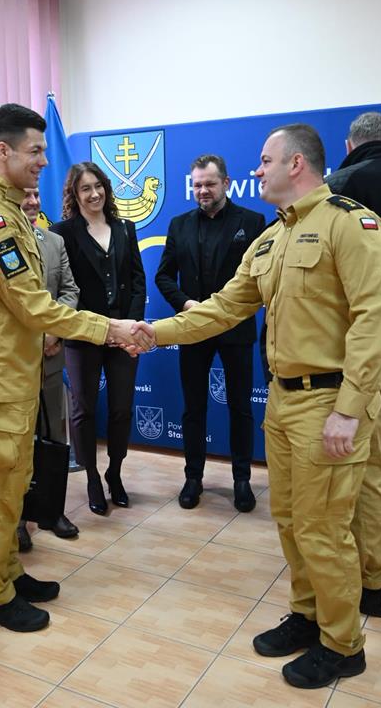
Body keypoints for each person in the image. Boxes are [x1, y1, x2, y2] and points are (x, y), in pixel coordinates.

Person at [130, 124, 381, 690]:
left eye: (265, 160)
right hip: (283, 401)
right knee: (293, 522)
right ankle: (307, 615)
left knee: (325, 530)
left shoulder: (351, 224)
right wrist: (156, 332)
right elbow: (225, 307)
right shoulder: (272, 238)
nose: (257, 170)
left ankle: (342, 644)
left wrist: (350, 409)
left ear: (296, 164)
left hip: (330, 402)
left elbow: (375, 319)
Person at [0, 104, 146, 633]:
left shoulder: (13, 211)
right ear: (3, 151)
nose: (44, 160)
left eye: (44, 150)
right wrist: (110, 328)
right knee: (0, 491)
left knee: (16, 481)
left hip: (15, 371)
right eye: (35, 151)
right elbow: (33, 306)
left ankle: (9, 573)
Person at [155, 154, 265, 512]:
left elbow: (259, 278)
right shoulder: (179, 224)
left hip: (236, 328)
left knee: (241, 408)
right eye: (197, 184)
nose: (203, 190)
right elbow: (164, 275)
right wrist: (186, 304)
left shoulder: (253, 221)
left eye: (209, 184)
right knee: (194, 408)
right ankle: (193, 478)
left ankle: (242, 480)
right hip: (193, 328)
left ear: (226, 184)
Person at [326, 111, 381, 606]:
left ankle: (372, 583)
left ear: (349, 145)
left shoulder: (344, 186)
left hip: (379, 356)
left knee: (370, 469)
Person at [51, 162, 146, 516]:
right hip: (83, 334)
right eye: (85, 189)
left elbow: (137, 280)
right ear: (74, 196)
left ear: (106, 188)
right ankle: (91, 477)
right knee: (83, 409)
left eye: (98, 186)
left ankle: (114, 473)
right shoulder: (62, 232)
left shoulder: (125, 228)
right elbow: (63, 287)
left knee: (121, 408)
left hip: (124, 334)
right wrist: (88, 327)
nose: (94, 194)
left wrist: (130, 325)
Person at [17, 187, 80, 550]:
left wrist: (53, 333)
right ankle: (18, 519)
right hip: (15, 361)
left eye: (37, 195)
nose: (33, 201)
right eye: (25, 195)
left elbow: (69, 291)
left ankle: (53, 512)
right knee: (20, 441)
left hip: (52, 355)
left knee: (55, 438)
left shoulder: (54, 241)